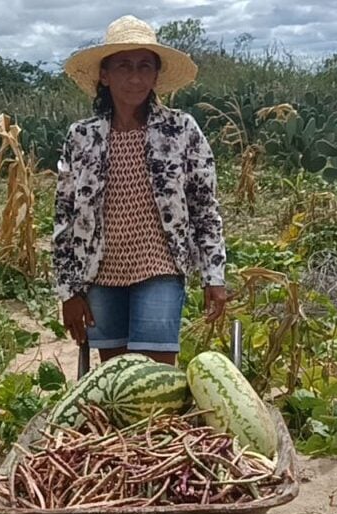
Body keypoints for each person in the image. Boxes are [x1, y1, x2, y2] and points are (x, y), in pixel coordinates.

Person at [54, 15, 227, 367]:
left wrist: (214, 276)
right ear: (105, 75)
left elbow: (204, 208)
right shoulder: (82, 137)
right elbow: (64, 218)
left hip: (159, 266)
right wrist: (69, 291)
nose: (135, 77)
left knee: (156, 378)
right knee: (116, 379)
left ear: (156, 76)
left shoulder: (181, 130)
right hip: (101, 272)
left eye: (144, 66)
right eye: (123, 66)